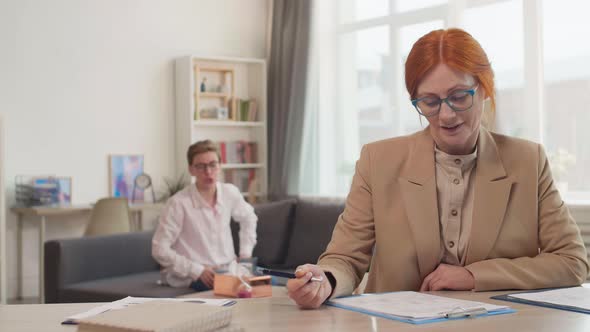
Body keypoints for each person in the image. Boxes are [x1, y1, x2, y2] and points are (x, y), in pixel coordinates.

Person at [287, 28, 589, 309]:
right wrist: (324, 279)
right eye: (430, 102)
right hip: (397, 325)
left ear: (484, 90)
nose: (446, 115)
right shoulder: (378, 160)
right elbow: (344, 258)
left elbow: (572, 262)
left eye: (459, 97)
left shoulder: (527, 161)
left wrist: (473, 275)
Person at [152, 140, 257, 291]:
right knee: (240, 290)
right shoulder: (178, 203)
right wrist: (197, 270)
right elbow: (159, 249)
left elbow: (249, 217)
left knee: (270, 284)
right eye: (200, 166)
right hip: (194, 276)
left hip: (228, 270)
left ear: (220, 165)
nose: (208, 172)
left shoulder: (230, 192)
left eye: (213, 164)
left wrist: (246, 253)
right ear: (191, 170)